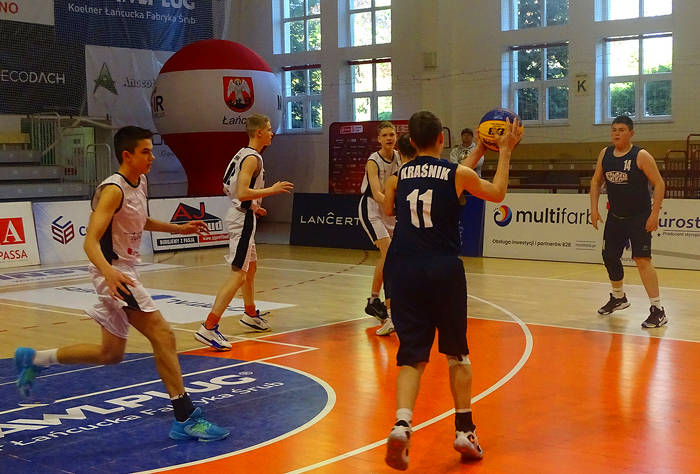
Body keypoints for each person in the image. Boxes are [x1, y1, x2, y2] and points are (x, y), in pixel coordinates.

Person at [14, 126, 229, 441]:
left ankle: (35, 358)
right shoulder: (113, 189)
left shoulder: (140, 182)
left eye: (151, 151)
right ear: (127, 155)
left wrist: (178, 228)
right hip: (114, 273)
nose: (152, 157)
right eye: (145, 152)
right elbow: (90, 241)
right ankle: (185, 418)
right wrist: (109, 273)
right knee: (163, 334)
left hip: (123, 270)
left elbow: (140, 221)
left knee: (110, 353)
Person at [381, 110, 522, 470]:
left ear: (411, 142)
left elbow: (392, 207)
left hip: (404, 270)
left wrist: (480, 149)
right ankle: (464, 431)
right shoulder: (455, 173)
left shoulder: (399, 175)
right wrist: (504, 151)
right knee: (457, 353)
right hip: (442, 269)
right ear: (441, 139)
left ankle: (401, 424)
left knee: (412, 356)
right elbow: (496, 192)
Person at [195, 114, 293, 349]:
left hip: (244, 214)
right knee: (239, 275)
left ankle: (250, 314)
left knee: (251, 268)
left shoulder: (243, 153)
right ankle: (209, 327)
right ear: (259, 132)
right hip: (241, 219)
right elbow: (242, 192)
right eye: (269, 129)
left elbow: (230, 188)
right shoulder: (252, 158)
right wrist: (272, 190)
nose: (272, 133)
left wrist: (254, 206)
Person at [590, 115, 667, 328]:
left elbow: (659, 184)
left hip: (639, 216)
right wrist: (593, 209)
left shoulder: (640, 156)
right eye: (614, 129)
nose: (616, 133)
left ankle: (658, 310)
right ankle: (619, 297)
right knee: (609, 256)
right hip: (615, 216)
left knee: (642, 260)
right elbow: (596, 181)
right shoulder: (605, 154)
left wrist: (654, 214)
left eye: (621, 130)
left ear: (631, 133)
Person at [358, 121, 400, 336]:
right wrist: (397, 205)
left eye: (392, 134)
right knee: (389, 253)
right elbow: (376, 194)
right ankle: (386, 309)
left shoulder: (399, 157)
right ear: (379, 139)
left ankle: (374, 300)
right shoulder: (373, 161)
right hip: (372, 209)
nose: (389, 138)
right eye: (385, 135)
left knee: (389, 256)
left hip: (389, 210)